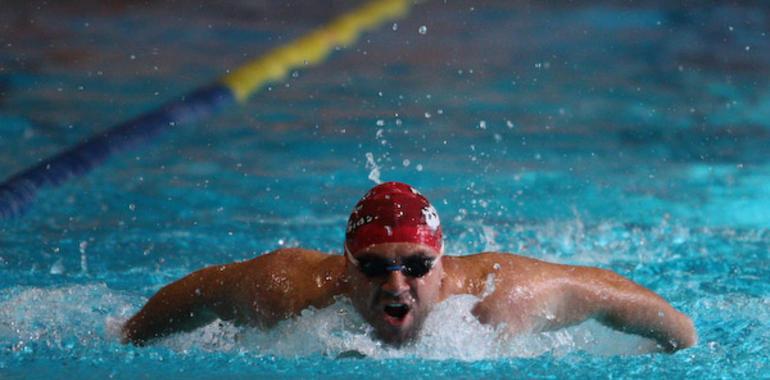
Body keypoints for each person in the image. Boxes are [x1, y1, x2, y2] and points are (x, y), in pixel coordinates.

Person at [122, 181, 697, 352]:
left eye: (416, 266)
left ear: (442, 268)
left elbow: (617, 298)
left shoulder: (502, 298)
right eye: (373, 268)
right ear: (345, 270)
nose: (396, 285)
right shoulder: (286, 290)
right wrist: (126, 339)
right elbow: (193, 295)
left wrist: (683, 348)